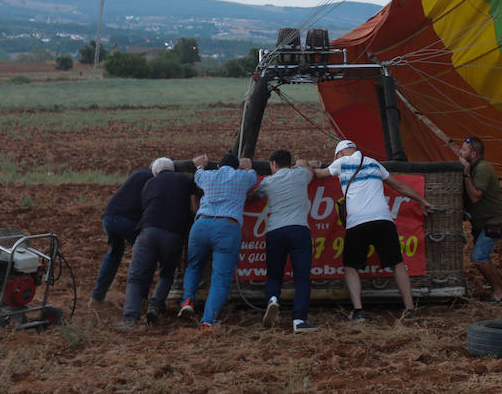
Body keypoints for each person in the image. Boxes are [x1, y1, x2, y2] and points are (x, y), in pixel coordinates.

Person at [313, 139, 434, 322]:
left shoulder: (341, 162)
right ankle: (410, 309)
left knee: (351, 267)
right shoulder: (373, 162)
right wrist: (423, 201)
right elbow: (400, 186)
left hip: (357, 223)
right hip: (384, 220)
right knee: (398, 264)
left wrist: (307, 165)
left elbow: (319, 174)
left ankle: (358, 311)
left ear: (339, 154)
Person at [178, 150, 259, 329]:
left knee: (194, 265)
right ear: (236, 166)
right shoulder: (243, 177)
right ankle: (208, 320)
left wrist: (199, 164)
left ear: (218, 166)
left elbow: (197, 173)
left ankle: (188, 300)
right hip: (227, 227)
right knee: (221, 278)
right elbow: (253, 177)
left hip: (202, 224)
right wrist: (247, 167)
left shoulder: (208, 175)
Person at [118, 157, 200, 329]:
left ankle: (130, 319)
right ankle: (156, 305)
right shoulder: (185, 180)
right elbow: (194, 209)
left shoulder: (148, 184)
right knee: (167, 273)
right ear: (172, 169)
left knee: (136, 277)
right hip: (174, 234)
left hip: (148, 231)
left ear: (156, 172)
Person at [249, 149, 319, 332]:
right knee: (302, 278)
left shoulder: (268, 181)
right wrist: (303, 162)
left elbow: (253, 198)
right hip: (299, 229)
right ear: (290, 162)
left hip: (275, 231)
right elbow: (310, 171)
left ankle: (273, 299)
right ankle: (299, 320)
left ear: (273, 164)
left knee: (274, 274)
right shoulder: (301, 174)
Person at [90, 163, 153, 305]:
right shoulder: (153, 179)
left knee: (114, 253)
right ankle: (140, 299)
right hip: (127, 220)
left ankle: (97, 297)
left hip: (108, 216)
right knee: (145, 255)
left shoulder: (138, 173)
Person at [458, 136, 502, 303]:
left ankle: (500, 292)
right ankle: (501, 290)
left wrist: (466, 175)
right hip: (480, 223)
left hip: (494, 221)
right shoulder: (472, 167)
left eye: (464, 150)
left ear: (473, 154)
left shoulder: (482, 169)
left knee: (480, 257)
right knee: (480, 257)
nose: (460, 152)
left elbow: (475, 197)